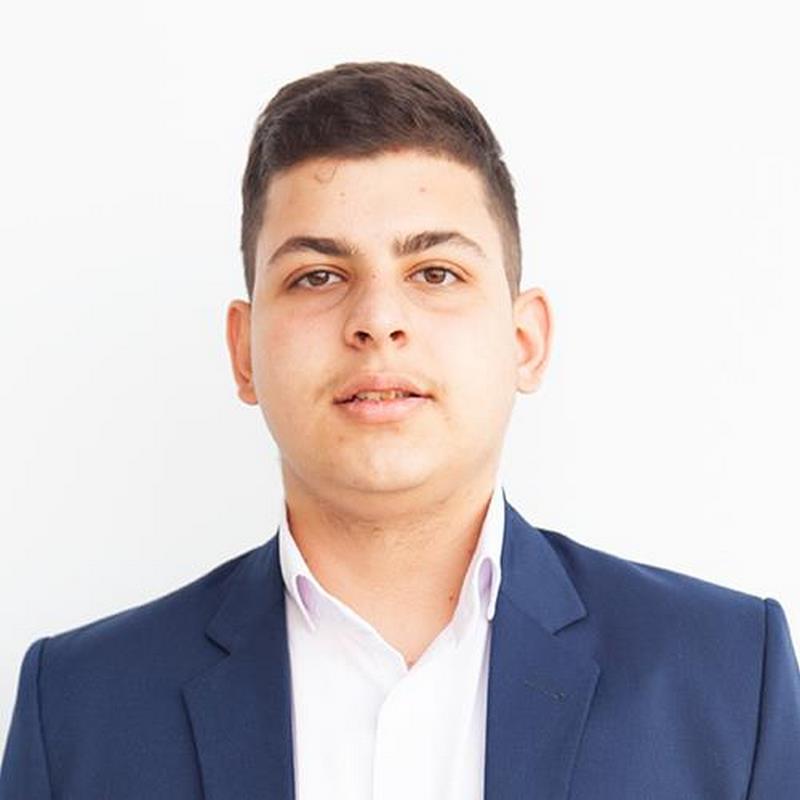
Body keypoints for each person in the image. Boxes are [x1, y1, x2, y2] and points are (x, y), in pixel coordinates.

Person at [1, 60, 798, 800]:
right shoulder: (75, 708)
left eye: (435, 272)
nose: (378, 319)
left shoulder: (730, 678)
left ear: (525, 340)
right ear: (243, 353)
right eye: (319, 275)